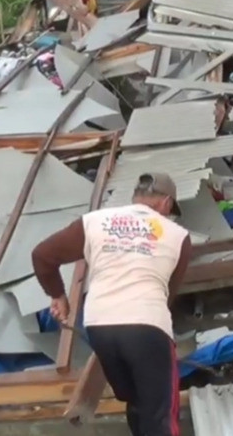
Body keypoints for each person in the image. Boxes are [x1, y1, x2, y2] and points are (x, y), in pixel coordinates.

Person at [31, 173, 192, 436]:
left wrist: (58, 296)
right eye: (170, 210)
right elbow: (167, 296)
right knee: (159, 414)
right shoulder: (178, 236)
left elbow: (42, 255)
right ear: (165, 203)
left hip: (100, 325)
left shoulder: (95, 222)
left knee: (135, 400)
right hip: (147, 323)